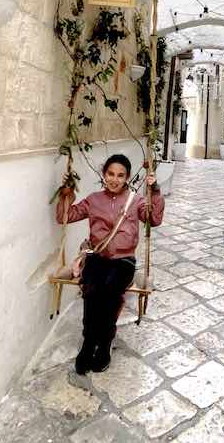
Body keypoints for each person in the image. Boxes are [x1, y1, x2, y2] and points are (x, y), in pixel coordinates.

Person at [56, 154, 164, 375]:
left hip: (123, 260)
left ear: (127, 178)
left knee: (110, 291)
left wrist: (155, 191)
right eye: (110, 174)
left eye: (120, 175)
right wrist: (66, 193)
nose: (115, 179)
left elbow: (153, 219)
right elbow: (66, 216)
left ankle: (104, 345)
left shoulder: (136, 201)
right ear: (104, 174)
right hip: (97, 257)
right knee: (91, 289)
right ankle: (88, 344)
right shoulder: (94, 200)